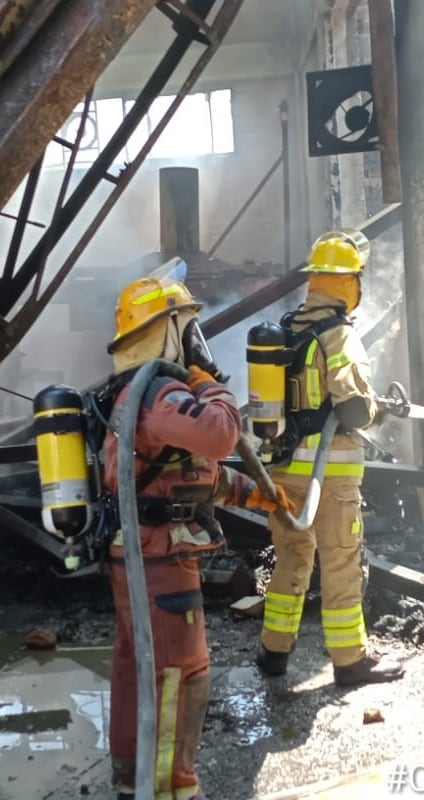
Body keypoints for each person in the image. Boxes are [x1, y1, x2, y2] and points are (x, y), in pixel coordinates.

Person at [102, 276, 293, 800]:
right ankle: (168, 788)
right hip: (160, 558)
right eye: (188, 329)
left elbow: (182, 474)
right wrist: (211, 383)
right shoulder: (162, 391)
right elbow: (219, 434)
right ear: (169, 329)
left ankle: (132, 779)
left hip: (141, 552)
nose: (195, 342)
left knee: (137, 668)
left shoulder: (138, 392)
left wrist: (255, 493)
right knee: (180, 677)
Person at [255, 230, 404, 686]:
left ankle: (273, 653)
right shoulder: (338, 336)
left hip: (281, 470)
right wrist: (382, 409)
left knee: (292, 559)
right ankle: (350, 661)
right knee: (341, 562)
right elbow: (355, 410)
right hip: (330, 476)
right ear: (347, 283)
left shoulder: (286, 330)